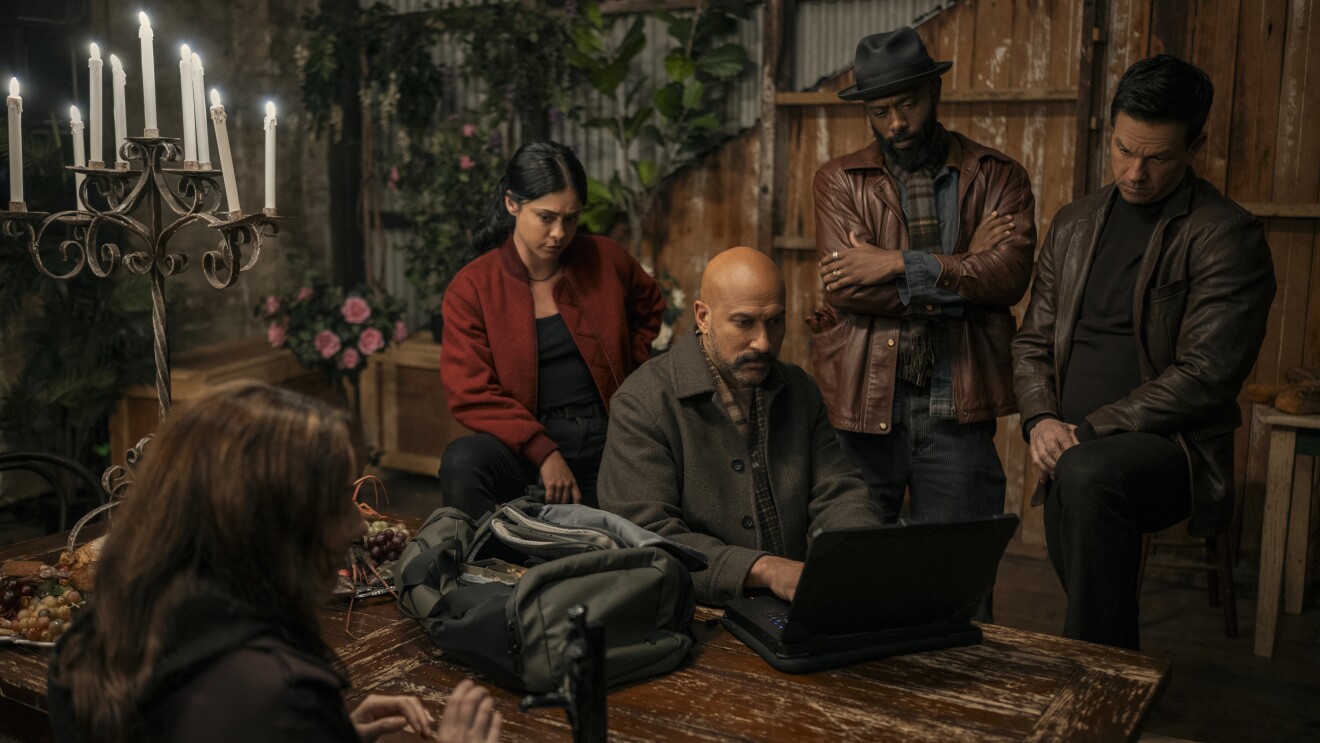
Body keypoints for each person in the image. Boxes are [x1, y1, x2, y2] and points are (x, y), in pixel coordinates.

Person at [47, 383, 502, 743]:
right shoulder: (276, 696)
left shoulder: (90, 642)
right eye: (335, 505)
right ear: (275, 527)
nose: (360, 529)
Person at [1012, 55, 1276, 650]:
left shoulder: (1225, 234)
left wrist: (1089, 431)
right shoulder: (1075, 223)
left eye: (1156, 157)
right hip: (1074, 444)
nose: (1135, 172)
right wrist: (1040, 419)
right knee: (1079, 490)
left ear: (1194, 146)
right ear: (1111, 131)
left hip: (1174, 452)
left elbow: (1206, 376)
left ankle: (1090, 679)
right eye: (1124, 149)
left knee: (1083, 477)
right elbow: (1032, 341)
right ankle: (1111, 669)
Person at [809, 28, 1036, 550]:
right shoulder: (841, 180)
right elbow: (846, 292)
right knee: (850, 570)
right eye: (879, 111)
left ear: (934, 91)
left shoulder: (997, 176)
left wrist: (890, 262)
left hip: (956, 396)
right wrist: (963, 265)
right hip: (865, 401)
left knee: (955, 572)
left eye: (907, 104)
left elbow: (1009, 278)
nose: (896, 124)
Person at [597, 247, 885, 605]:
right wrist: (764, 569)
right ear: (703, 317)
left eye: (775, 321)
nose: (763, 343)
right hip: (696, 614)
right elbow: (645, 535)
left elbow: (839, 491)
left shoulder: (799, 389)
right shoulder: (643, 402)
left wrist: (854, 552)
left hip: (797, 604)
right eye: (744, 322)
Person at [439, 141, 664, 518]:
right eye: (546, 217)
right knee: (462, 460)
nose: (560, 233)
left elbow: (650, 307)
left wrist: (629, 365)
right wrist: (543, 451)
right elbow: (471, 392)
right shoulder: (474, 287)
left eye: (571, 218)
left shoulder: (607, 259)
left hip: (611, 434)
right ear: (512, 203)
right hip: (526, 444)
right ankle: (483, 569)